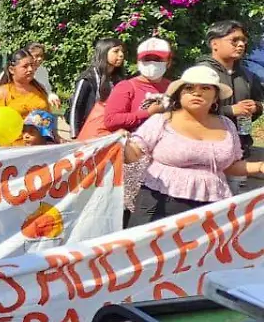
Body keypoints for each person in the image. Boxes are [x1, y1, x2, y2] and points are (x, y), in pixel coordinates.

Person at [125, 65, 264, 225]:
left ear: (216, 97)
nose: (197, 93)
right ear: (179, 94)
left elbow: (230, 166)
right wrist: (121, 145)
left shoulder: (227, 125)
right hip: (159, 204)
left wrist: (260, 166)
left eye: (205, 88)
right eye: (189, 88)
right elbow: (133, 153)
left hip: (212, 208)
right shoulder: (162, 121)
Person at [98, 37, 173, 222]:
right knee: (128, 215)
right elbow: (111, 120)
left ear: (168, 62)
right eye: (147, 59)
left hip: (163, 163)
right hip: (132, 161)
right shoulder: (127, 87)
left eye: (158, 59)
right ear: (138, 61)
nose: (152, 64)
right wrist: (147, 113)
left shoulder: (172, 88)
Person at [196, 20, 264, 168]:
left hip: (240, 151)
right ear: (214, 44)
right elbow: (190, 111)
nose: (241, 44)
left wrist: (255, 107)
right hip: (206, 153)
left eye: (243, 40)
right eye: (234, 40)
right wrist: (230, 111)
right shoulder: (201, 73)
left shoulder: (248, 75)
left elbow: (258, 104)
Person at [68, 37, 126, 135]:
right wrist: (75, 135)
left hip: (111, 131)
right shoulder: (87, 78)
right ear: (104, 52)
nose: (121, 55)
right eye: (116, 51)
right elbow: (76, 107)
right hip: (89, 130)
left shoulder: (120, 80)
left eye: (122, 51)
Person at [0, 49, 50, 117]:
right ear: (11, 70)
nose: (30, 69)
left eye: (32, 65)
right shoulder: (1, 93)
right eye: (25, 66)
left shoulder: (39, 89)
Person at [25, 43, 62, 110]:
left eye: (41, 56)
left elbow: (47, 90)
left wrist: (51, 95)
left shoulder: (42, 71)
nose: (40, 59)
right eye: (36, 56)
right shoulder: (20, 71)